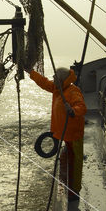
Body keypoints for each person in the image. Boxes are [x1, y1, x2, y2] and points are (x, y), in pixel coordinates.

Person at [26, 66, 86, 201]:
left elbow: (81, 107)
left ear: (62, 79)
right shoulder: (57, 89)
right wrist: (31, 72)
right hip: (64, 133)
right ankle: (68, 185)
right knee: (68, 159)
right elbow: (44, 82)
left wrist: (72, 110)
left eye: (55, 77)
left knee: (76, 162)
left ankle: (75, 191)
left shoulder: (73, 91)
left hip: (73, 134)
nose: (53, 78)